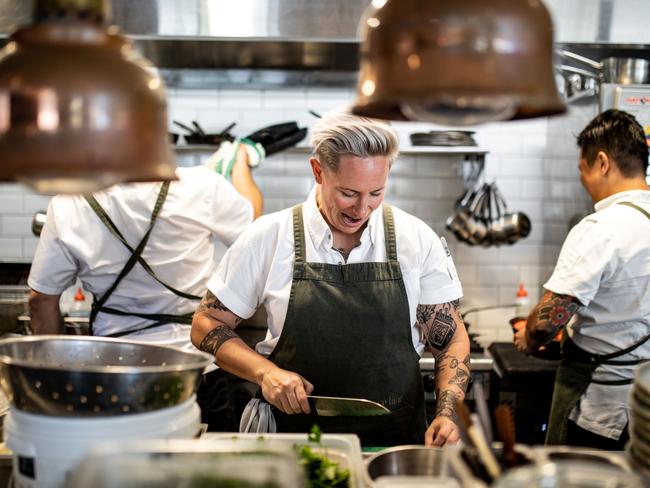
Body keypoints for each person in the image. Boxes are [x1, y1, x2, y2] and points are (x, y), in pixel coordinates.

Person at [191, 112, 470, 447]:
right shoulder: (271, 236)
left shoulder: (416, 239)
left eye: (376, 192)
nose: (363, 208)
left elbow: (450, 340)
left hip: (393, 443)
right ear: (318, 171)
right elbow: (206, 322)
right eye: (349, 193)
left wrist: (446, 412)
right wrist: (264, 372)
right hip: (291, 440)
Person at [28, 143, 263, 430]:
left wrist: (54, 372)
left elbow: (41, 299)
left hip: (110, 375)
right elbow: (252, 229)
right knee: (201, 471)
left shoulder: (69, 202)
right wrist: (240, 165)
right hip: (195, 371)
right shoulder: (201, 185)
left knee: (117, 472)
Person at [514, 109, 650, 450]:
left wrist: (529, 338)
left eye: (582, 169)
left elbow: (548, 321)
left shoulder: (600, 228)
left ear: (602, 162)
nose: (583, 180)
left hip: (600, 411)